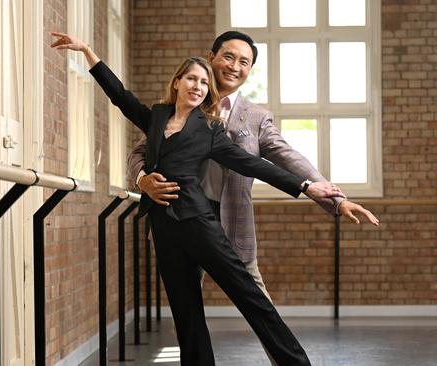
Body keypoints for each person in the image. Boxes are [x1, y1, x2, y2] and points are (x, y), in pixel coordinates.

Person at [51, 32, 346, 366]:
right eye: (191, 78)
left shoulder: (210, 130)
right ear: (177, 82)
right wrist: (89, 53)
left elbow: (254, 164)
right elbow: (121, 97)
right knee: (186, 313)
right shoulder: (157, 118)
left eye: (204, 83)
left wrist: (307, 186)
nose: (197, 86)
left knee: (250, 298)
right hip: (163, 227)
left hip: (199, 223)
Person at [127, 31, 379, 364]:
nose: (234, 66)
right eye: (228, 56)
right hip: (178, 219)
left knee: (259, 307)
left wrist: (331, 196)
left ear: (249, 70)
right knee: (186, 314)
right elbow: (141, 152)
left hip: (231, 223)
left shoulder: (256, 117)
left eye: (244, 62)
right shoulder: (183, 101)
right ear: (212, 56)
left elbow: (286, 158)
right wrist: (142, 180)